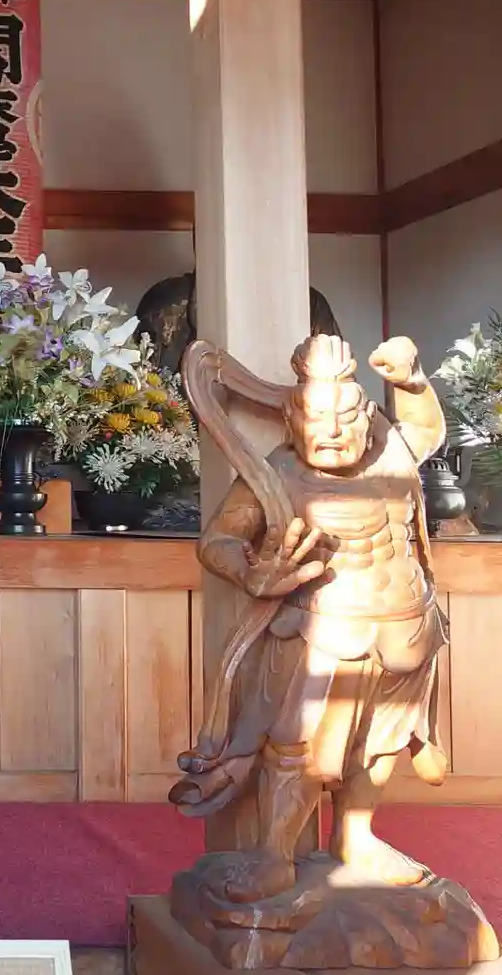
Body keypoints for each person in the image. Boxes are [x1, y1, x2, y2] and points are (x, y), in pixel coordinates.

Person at [174, 333, 448, 903]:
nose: (332, 431)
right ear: (292, 420)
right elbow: (218, 539)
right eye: (316, 418)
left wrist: (411, 381)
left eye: (345, 418)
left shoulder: (392, 448)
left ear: (366, 416)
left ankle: (356, 836)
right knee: (297, 746)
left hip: (406, 623)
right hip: (324, 626)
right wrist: (251, 573)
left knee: (380, 741)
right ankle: (274, 853)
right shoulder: (277, 472)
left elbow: (426, 428)